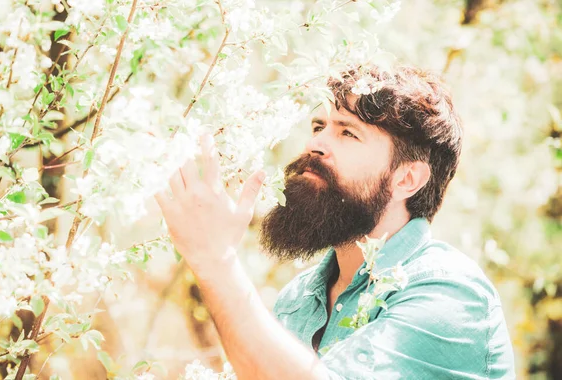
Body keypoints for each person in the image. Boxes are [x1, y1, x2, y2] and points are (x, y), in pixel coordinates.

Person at [155, 65, 515, 379]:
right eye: (318, 125)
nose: (316, 143)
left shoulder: (450, 293)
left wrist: (217, 262)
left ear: (406, 179)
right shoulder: (298, 298)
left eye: (348, 132)